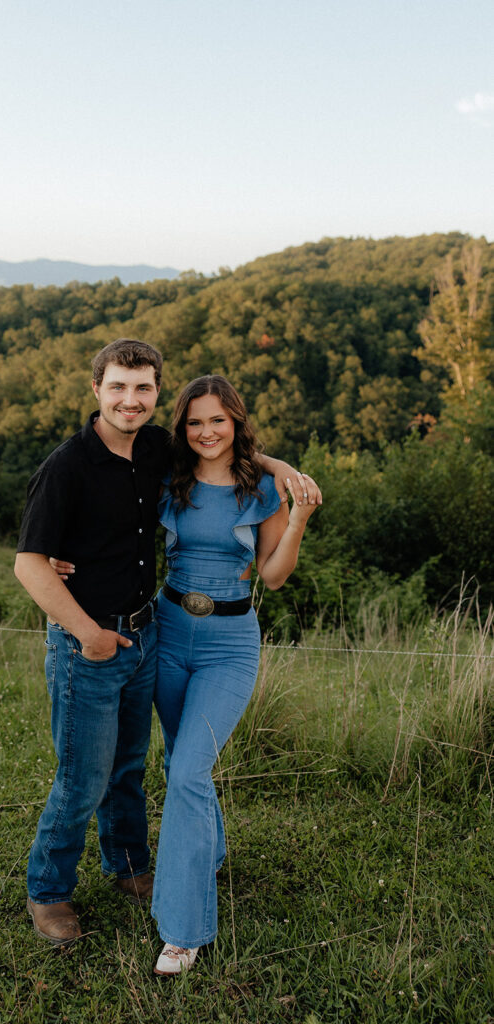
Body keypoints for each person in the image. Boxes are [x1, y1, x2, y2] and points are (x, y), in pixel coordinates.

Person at [14, 339, 306, 946]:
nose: (130, 399)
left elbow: (222, 444)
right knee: (82, 776)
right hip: (90, 641)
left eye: (142, 388)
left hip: (150, 631)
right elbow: (29, 565)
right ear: (97, 389)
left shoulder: (154, 450)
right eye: (118, 386)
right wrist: (88, 633)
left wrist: (280, 470)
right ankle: (49, 891)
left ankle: (126, 866)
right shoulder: (67, 466)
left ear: (154, 395)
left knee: (129, 766)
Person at [150, 374, 321, 976]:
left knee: (191, 770)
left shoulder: (263, 490)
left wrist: (297, 517)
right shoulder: (167, 474)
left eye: (217, 420)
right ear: (182, 427)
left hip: (229, 643)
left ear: (236, 423)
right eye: (195, 421)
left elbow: (273, 577)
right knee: (178, 763)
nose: (206, 432)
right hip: (168, 631)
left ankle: (183, 931)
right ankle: (209, 851)